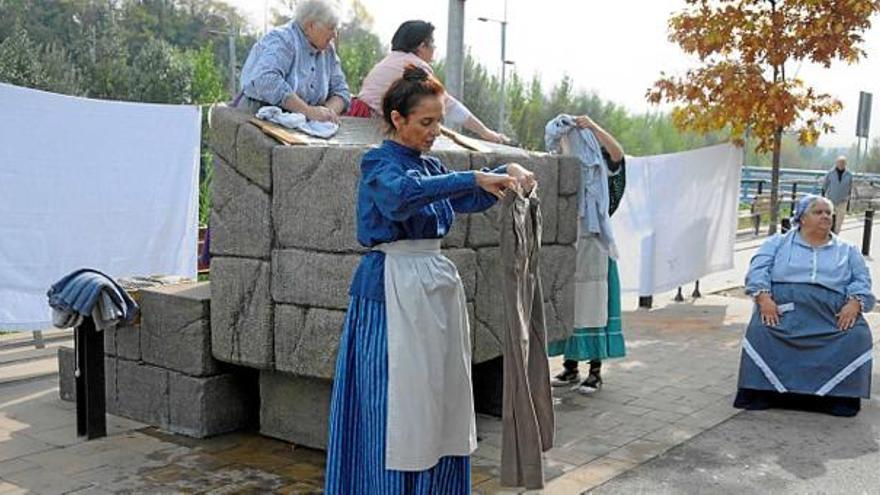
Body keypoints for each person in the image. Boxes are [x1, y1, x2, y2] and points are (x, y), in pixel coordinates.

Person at [324, 65, 535, 494]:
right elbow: (402, 197)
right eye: (426, 122)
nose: (434, 130)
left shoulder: (431, 165)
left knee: (437, 399)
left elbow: (469, 194)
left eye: (438, 121)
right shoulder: (378, 162)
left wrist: (507, 170)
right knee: (396, 402)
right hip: (390, 289)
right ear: (397, 118)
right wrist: (473, 175)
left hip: (431, 288)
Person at [734, 194, 874, 417]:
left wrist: (855, 303)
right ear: (801, 218)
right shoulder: (777, 243)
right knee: (761, 329)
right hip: (784, 309)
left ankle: (839, 398)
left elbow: (861, 279)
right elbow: (758, 270)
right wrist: (763, 298)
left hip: (830, 313)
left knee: (856, 335)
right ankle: (761, 393)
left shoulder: (848, 249)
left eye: (828, 212)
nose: (826, 216)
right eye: (818, 212)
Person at [545, 114, 627, 395]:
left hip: (594, 242)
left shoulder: (600, 169)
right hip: (570, 240)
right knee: (570, 302)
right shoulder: (565, 166)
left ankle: (595, 371)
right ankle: (570, 367)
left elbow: (618, 154)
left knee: (594, 304)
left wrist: (592, 126)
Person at [351, 20, 509, 143]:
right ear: (422, 46)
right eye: (432, 43)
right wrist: (485, 133)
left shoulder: (390, 60)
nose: (434, 48)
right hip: (372, 123)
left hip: (360, 118)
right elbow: (446, 103)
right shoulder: (415, 65)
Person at [237, 0, 350, 121]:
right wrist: (308, 111)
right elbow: (266, 80)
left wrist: (327, 114)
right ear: (310, 25)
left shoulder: (328, 51)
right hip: (260, 117)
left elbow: (341, 91)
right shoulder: (282, 39)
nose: (334, 35)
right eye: (331, 28)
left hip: (301, 122)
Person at [822, 155, 853, 234]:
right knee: (828, 219)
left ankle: (836, 235)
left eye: (843, 163)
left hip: (843, 201)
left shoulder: (849, 174)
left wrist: (849, 203)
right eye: (840, 163)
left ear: (846, 164)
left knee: (839, 221)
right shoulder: (830, 173)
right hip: (831, 200)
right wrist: (823, 199)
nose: (841, 164)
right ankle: (827, 233)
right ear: (836, 163)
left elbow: (850, 188)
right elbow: (824, 186)